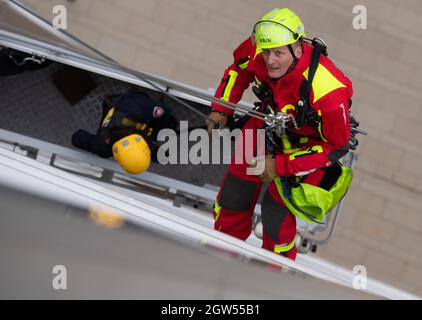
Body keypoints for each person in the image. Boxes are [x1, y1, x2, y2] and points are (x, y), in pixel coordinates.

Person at [206, 7, 353, 260]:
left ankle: (275, 268)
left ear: (297, 49)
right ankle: (220, 253)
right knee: (234, 193)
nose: (270, 60)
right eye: (266, 52)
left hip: (308, 145)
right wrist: (221, 109)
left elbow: (336, 147)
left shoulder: (328, 92)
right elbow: (238, 70)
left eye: (278, 53)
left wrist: (279, 165)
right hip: (268, 122)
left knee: (275, 213)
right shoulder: (259, 49)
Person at [72, 88, 175, 174]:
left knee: (167, 125)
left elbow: (163, 110)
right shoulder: (102, 147)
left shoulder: (135, 107)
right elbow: (77, 137)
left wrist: (160, 130)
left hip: (123, 104)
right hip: (117, 113)